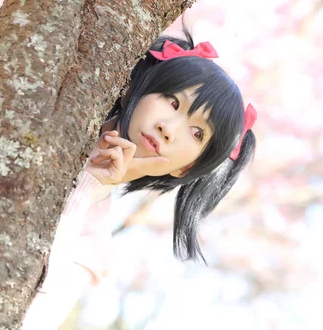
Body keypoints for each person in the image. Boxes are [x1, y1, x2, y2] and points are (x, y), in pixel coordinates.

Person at [21, 26, 257, 329]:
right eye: (173, 102)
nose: (169, 129)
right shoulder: (37, 112)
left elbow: (27, 314)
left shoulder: (92, 248)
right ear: (135, 88)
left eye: (197, 133)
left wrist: (90, 187)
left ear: (187, 167)